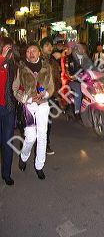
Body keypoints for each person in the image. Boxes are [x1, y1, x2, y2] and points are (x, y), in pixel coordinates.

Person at [13, 43, 54, 180]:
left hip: (43, 105)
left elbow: (51, 87)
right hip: (29, 106)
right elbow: (15, 89)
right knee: (30, 137)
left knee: (42, 135)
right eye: (29, 51)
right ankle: (24, 156)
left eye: (34, 50)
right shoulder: (21, 68)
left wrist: (45, 95)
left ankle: (39, 166)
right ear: (26, 54)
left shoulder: (47, 67)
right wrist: (28, 99)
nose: (31, 53)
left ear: (39, 53)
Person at [40, 36, 62, 155]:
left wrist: (56, 93)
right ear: (41, 48)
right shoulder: (38, 60)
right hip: (41, 97)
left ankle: (46, 144)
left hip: (52, 95)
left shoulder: (53, 61)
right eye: (46, 45)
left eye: (50, 45)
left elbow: (57, 77)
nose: (50, 47)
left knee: (48, 122)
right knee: (40, 122)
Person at [0, 37, 17, 185]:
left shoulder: (13, 66)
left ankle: (6, 173)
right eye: (5, 47)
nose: (8, 50)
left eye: (10, 48)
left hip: (9, 108)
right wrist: (1, 58)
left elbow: (19, 86)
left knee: (8, 143)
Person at [65, 42, 91, 118]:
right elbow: (67, 70)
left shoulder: (87, 59)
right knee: (79, 90)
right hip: (73, 81)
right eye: (79, 47)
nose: (81, 49)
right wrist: (72, 76)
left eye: (83, 48)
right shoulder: (70, 58)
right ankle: (77, 111)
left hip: (87, 81)